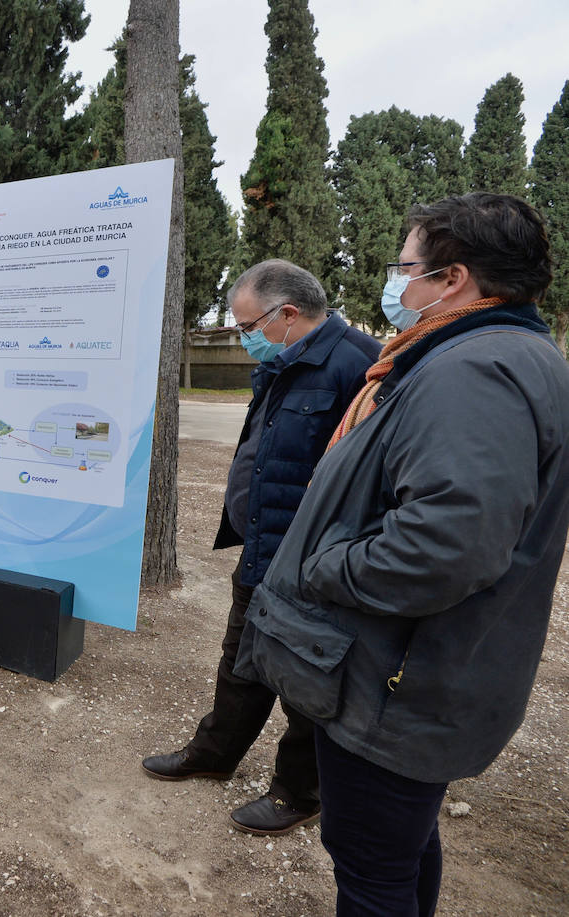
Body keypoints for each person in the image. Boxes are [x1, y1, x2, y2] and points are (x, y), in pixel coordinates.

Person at [235, 193, 569, 916]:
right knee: (398, 851)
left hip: (394, 686)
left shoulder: (473, 370)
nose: (399, 283)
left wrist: (326, 567)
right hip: (418, 673)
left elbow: (446, 545)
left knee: (371, 870)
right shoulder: (497, 354)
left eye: (406, 266)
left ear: (452, 278)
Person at [141, 260, 380, 835]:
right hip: (263, 550)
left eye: (248, 325)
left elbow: (374, 481)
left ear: (287, 314)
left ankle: (300, 790)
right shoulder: (284, 362)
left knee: (304, 682)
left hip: (312, 563)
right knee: (241, 662)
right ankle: (214, 755)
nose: (244, 337)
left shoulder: (361, 365)